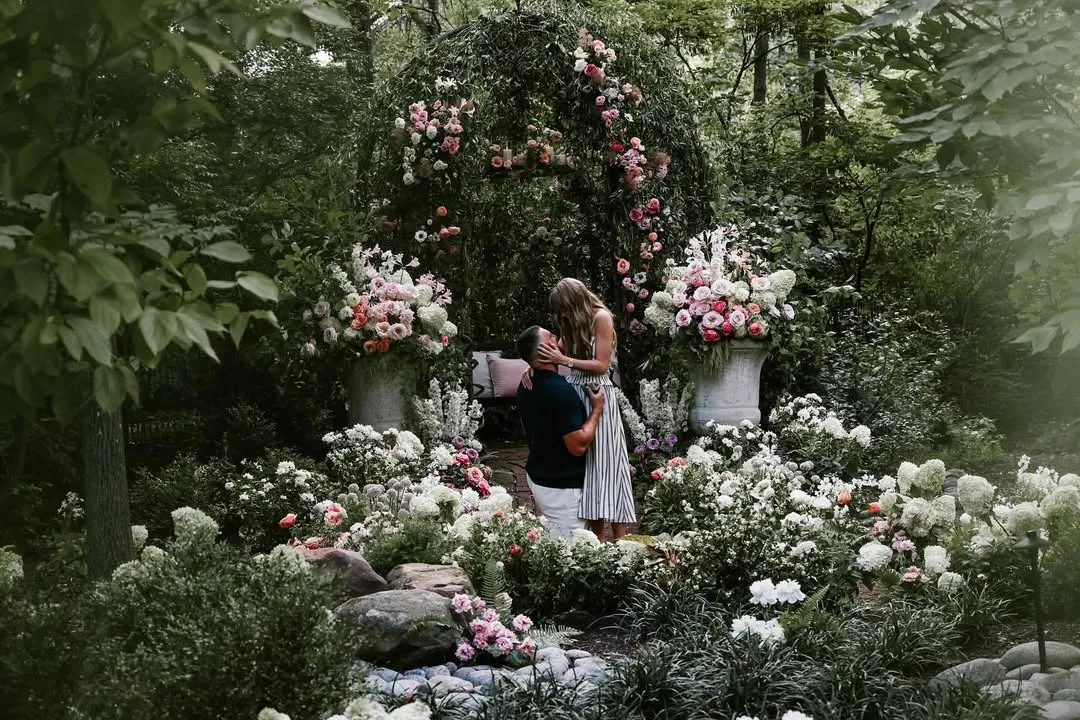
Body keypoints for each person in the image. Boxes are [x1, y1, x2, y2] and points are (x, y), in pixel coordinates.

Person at [533, 277, 636, 541]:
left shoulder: (601, 318)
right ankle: (596, 540)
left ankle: (622, 540)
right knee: (588, 469)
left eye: (564, 309)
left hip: (597, 394)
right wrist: (530, 367)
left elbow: (602, 365)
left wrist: (563, 360)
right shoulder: (571, 322)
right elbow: (552, 352)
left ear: (575, 302)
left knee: (609, 464)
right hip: (576, 394)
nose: (562, 315)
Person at [515, 325, 605, 539]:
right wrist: (597, 411)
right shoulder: (559, 391)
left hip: (541, 475)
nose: (557, 337)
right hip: (561, 486)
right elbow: (578, 445)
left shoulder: (527, 384)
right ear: (546, 349)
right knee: (568, 554)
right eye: (551, 336)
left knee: (552, 540)